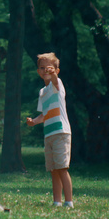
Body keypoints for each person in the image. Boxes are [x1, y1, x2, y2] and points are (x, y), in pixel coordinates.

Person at [26, 53, 73, 208]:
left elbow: (54, 80)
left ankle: (69, 202)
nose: (45, 70)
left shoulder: (57, 84)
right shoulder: (43, 92)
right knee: (53, 170)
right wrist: (34, 121)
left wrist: (53, 76)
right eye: (42, 67)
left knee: (62, 168)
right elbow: (44, 114)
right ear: (38, 71)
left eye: (49, 67)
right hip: (49, 135)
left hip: (61, 133)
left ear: (56, 71)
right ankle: (56, 201)